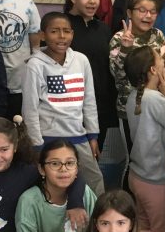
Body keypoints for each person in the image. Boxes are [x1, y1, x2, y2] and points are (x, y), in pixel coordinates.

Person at [0, 115, 89, 232]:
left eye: (4, 149)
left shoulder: (28, 173)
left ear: (15, 146)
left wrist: (75, 203)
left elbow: (74, 176)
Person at [22, 11, 104, 195]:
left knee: (94, 181)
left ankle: (98, 213)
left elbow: (89, 100)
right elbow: (30, 109)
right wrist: (37, 144)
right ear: (43, 35)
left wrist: (92, 135)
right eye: (54, 31)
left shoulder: (81, 60)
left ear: (72, 34)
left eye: (66, 31)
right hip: (48, 137)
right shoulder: (35, 65)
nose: (61, 36)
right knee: (54, 185)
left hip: (78, 135)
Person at [124, 45, 165, 232]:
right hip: (154, 180)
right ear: (153, 70)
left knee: (144, 225)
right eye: (160, 60)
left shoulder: (134, 95)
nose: (164, 63)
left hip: (137, 175)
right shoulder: (154, 98)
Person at [15, 140, 98, 232]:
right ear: (42, 169)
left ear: (77, 168)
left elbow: (100, 230)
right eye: (55, 164)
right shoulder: (29, 200)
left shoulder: (85, 193)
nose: (63, 169)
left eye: (70, 163)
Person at [109, 0, 165, 151]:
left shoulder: (158, 35)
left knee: (155, 153)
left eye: (153, 11)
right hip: (130, 108)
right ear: (129, 13)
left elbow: (161, 69)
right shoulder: (119, 38)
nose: (148, 16)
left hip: (155, 105)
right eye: (142, 10)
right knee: (135, 154)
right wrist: (125, 49)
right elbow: (117, 75)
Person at [65, 0, 119, 140]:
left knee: (97, 151)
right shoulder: (62, 27)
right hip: (71, 107)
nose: (92, 1)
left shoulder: (103, 29)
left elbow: (109, 68)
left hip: (101, 106)